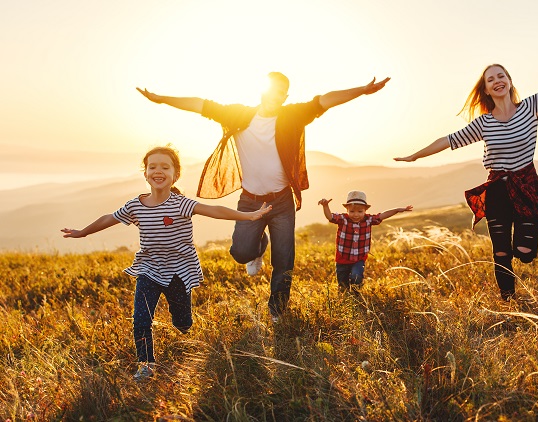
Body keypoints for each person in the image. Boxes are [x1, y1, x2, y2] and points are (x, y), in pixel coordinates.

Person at [137, 72, 390, 321]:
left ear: (285, 96)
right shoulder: (238, 114)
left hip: (281, 202)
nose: (275, 97)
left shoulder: (292, 115)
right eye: (271, 91)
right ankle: (259, 247)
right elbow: (199, 104)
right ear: (262, 92)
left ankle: (277, 311)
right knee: (240, 253)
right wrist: (161, 98)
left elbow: (325, 100)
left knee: (284, 259)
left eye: (280, 93)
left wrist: (361, 90)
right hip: (250, 201)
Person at [394, 31, 538, 301]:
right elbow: (448, 140)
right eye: (490, 79)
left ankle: (522, 253)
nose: (497, 81)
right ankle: (508, 299)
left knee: (525, 254)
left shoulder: (532, 106)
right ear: (487, 89)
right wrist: (414, 156)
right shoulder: (484, 123)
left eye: (500, 76)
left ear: (509, 81)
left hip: (525, 185)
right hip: (497, 190)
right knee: (501, 251)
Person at [61, 146, 271, 381]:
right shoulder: (136, 206)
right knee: (141, 319)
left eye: (164, 167)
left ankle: (183, 327)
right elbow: (109, 218)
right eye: (152, 167)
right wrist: (83, 233)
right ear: (145, 173)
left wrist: (249, 216)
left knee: (182, 323)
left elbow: (214, 211)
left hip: (178, 273)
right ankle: (146, 364)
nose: (157, 171)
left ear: (175, 174)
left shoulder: (180, 204)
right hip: (148, 270)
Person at [319, 191, 413, 290]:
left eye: (360, 212)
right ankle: (345, 296)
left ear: (365, 211)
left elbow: (383, 215)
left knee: (357, 277)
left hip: (359, 258)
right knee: (343, 285)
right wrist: (325, 206)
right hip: (343, 258)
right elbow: (330, 217)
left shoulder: (369, 220)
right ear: (347, 210)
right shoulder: (343, 219)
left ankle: (356, 294)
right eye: (352, 211)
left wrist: (397, 210)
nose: (356, 215)